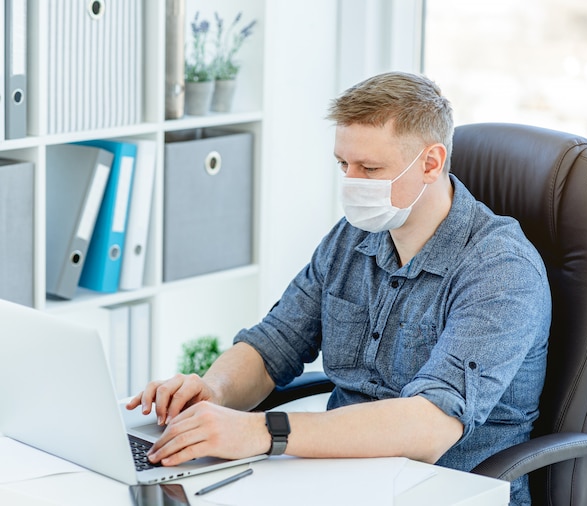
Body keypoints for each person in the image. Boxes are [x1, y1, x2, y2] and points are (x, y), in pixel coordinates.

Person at [127, 71, 551, 505]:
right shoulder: (352, 238)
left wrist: (263, 431)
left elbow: (429, 426)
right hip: (339, 481)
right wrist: (212, 392)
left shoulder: (501, 270)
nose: (352, 182)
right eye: (343, 165)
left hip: (444, 490)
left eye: (370, 168)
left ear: (430, 163)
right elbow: (275, 343)